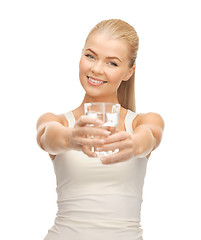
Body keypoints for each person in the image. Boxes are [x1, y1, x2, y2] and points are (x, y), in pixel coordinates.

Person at [36, 19, 165, 240]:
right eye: (90, 56)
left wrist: (134, 145)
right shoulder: (58, 122)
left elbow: (151, 135)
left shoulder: (140, 123)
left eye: (112, 63)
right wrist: (70, 138)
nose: (96, 69)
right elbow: (47, 136)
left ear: (129, 72)